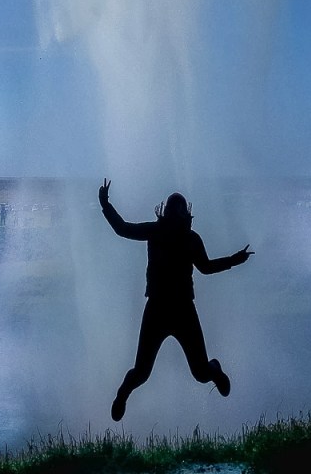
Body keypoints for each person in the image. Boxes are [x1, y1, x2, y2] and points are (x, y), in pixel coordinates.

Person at [99, 178, 253, 421]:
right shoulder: (160, 232)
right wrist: (105, 205)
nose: (176, 214)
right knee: (142, 372)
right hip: (161, 309)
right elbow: (123, 229)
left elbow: (206, 267)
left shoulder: (189, 239)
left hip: (180, 310)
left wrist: (234, 260)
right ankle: (122, 395)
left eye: (179, 210)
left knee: (200, 372)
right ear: (171, 212)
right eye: (175, 209)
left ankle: (215, 370)